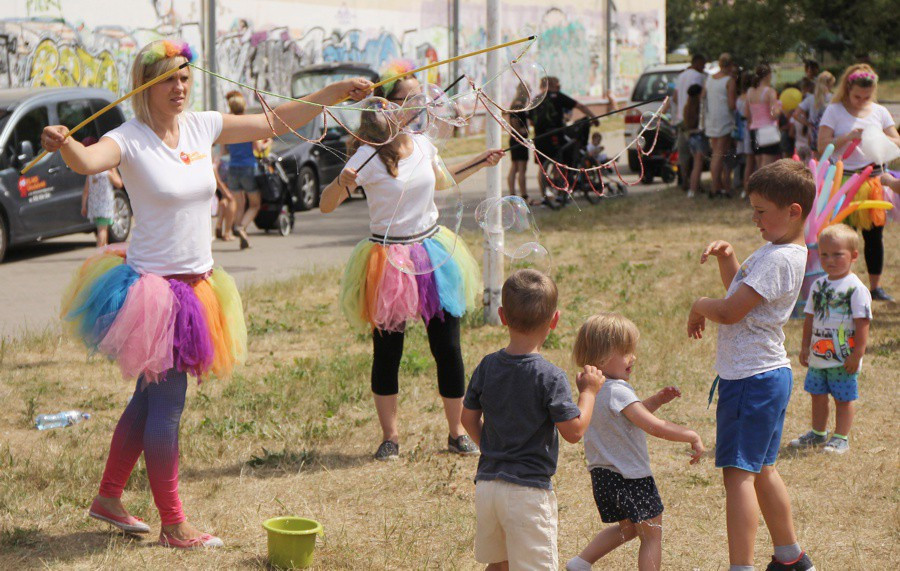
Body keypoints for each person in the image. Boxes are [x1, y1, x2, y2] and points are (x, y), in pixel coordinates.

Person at [43, 39, 372, 549]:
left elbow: (273, 123)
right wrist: (64, 143)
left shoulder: (201, 125)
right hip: (154, 294)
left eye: (185, 76)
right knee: (167, 405)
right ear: (145, 86)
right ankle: (174, 524)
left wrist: (333, 92)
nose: (180, 87)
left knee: (147, 400)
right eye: (168, 79)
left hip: (199, 286)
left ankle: (108, 497)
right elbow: (87, 161)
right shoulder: (127, 137)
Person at [320, 66, 503, 461]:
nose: (421, 105)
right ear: (385, 105)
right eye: (411, 99)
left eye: (423, 97)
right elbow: (326, 205)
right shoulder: (367, 155)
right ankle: (390, 437)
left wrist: (481, 161)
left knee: (448, 347)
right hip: (388, 259)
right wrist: (341, 183)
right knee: (388, 352)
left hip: (432, 252)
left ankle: (456, 432)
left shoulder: (422, 143)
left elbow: (441, 180)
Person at [687, 159, 817, 571]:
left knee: (738, 474)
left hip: (751, 379)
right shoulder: (778, 250)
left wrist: (699, 305)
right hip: (765, 376)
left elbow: (730, 311)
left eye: (761, 211)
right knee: (761, 469)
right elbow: (742, 294)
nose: (755, 219)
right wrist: (729, 259)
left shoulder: (780, 258)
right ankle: (790, 558)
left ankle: (740, 566)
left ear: (792, 211)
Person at [460, 269, 604, 571]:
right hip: (527, 495)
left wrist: (492, 448)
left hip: (487, 487)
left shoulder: (487, 365)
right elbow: (574, 431)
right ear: (555, 320)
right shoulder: (549, 376)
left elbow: (468, 419)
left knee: (499, 565)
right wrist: (589, 392)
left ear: (502, 315)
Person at [565, 313, 704, 571]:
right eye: (626, 351)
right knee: (652, 533)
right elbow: (652, 425)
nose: (633, 357)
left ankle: (580, 563)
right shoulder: (618, 390)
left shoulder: (594, 391)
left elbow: (630, 418)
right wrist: (691, 435)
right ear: (604, 357)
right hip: (630, 477)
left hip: (603, 476)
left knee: (628, 528)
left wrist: (657, 400)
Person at [817, 63, 900, 302]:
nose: (862, 101)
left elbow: (896, 141)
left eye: (866, 97)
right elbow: (822, 146)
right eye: (857, 97)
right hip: (843, 180)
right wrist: (848, 137)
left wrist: (878, 136)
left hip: (874, 181)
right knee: (842, 237)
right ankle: (841, 285)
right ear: (847, 89)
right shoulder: (834, 111)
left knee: (874, 236)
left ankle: (875, 287)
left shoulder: (879, 111)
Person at [789, 224, 871, 454]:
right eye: (824, 254)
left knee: (843, 399)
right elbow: (810, 318)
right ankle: (818, 433)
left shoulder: (856, 289)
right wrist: (805, 347)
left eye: (837, 254)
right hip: (818, 356)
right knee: (817, 395)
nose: (829, 260)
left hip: (843, 359)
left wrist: (857, 354)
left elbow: (862, 324)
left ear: (854, 256)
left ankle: (841, 437)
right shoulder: (818, 285)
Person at [530, 76, 596, 198]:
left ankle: (544, 196)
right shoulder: (557, 96)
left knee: (542, 167)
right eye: (557, 85)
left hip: (539, 137)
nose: (559, 87)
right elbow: (580, 106)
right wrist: (594, 117)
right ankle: (561, 191)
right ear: (552, 85)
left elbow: (531, 122)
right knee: (560, 160)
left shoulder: (536, 99)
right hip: (556, 135)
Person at [223, 90, 269, 249]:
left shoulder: (228, 125)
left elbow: (224, 150)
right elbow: (258, 148)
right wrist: (267, 143)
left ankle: (240, 231)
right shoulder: (248, 124)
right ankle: (241, 227)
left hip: (232, 168)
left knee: (239, 203)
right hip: (248, 167)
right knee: (255, 204)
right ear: (244, 106)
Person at [704, 53, 737, 198]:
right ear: (730, 65)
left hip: (711, 118)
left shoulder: (709, 79)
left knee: (716, 152)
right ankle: (715, 187)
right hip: (724, 119)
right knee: (720, 154)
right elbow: (731, 104)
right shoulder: (729, 81)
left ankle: (720, 185)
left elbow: (703, 96)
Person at [80, 137, 123, 248]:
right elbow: (119, 183)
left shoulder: (91, 170)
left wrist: (84, 206)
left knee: (103, 228)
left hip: (94, 205)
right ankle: (100, 251)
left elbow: (86, 190)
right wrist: (112, 172)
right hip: (105, 205)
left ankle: (104, 249)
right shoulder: (107, 168)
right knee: (102, 230)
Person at [672, 54, 707, 191]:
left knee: (683, 154)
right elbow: (700, 96)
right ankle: (695, 184)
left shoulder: (681, 76)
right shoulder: (698, 77)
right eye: (703, 65)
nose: (703, 68)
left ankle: (684, 180)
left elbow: (675, 98)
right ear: (697, 63)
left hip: (681, 119)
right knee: (697, 156)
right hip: (693, 121)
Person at [747, 64, 781, 169]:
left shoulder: (750, 92)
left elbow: (746, 113)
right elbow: (774, 114)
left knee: (759, 165)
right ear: (768, 76)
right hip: (768, 130)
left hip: (754, 130)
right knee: (767, 165)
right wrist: (779, 108)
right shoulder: (770, 92)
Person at [794, 71, 835, 159]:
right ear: (831, 84)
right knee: (830, 159)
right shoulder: (834, 98)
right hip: (830, 133)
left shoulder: (810, 98)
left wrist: (808, 123)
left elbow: (796, 114)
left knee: (816, 160)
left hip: (814, 133)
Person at [505, 83, 531, 203]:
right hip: (519, 140)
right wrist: (520, 132)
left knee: (515, 167)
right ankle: (524, 195)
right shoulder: (518, 104)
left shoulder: (515, 103)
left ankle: (512, 194)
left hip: (514, 139)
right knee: (521, 168)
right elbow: (514, 120)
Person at [683, 83, 706, 198]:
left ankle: (693, 188)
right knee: (698, 164)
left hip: (690, 137)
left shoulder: (687, 108)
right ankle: (693, 189)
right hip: (698, 137)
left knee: (695, 164)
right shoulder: (700, 107)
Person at [734, 71, 754, 196]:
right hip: (750, 130)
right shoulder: (750, 97)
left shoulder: (739, 98)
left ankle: (745, 188)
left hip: (742, 132)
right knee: (752, 162)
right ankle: (749, 189)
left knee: (747, 162)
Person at [212, 153, 236, 241]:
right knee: (231, 200)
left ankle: (219, 224)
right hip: (224, 169)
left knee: (224, 200)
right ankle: (227, 232)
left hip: (218, 169)